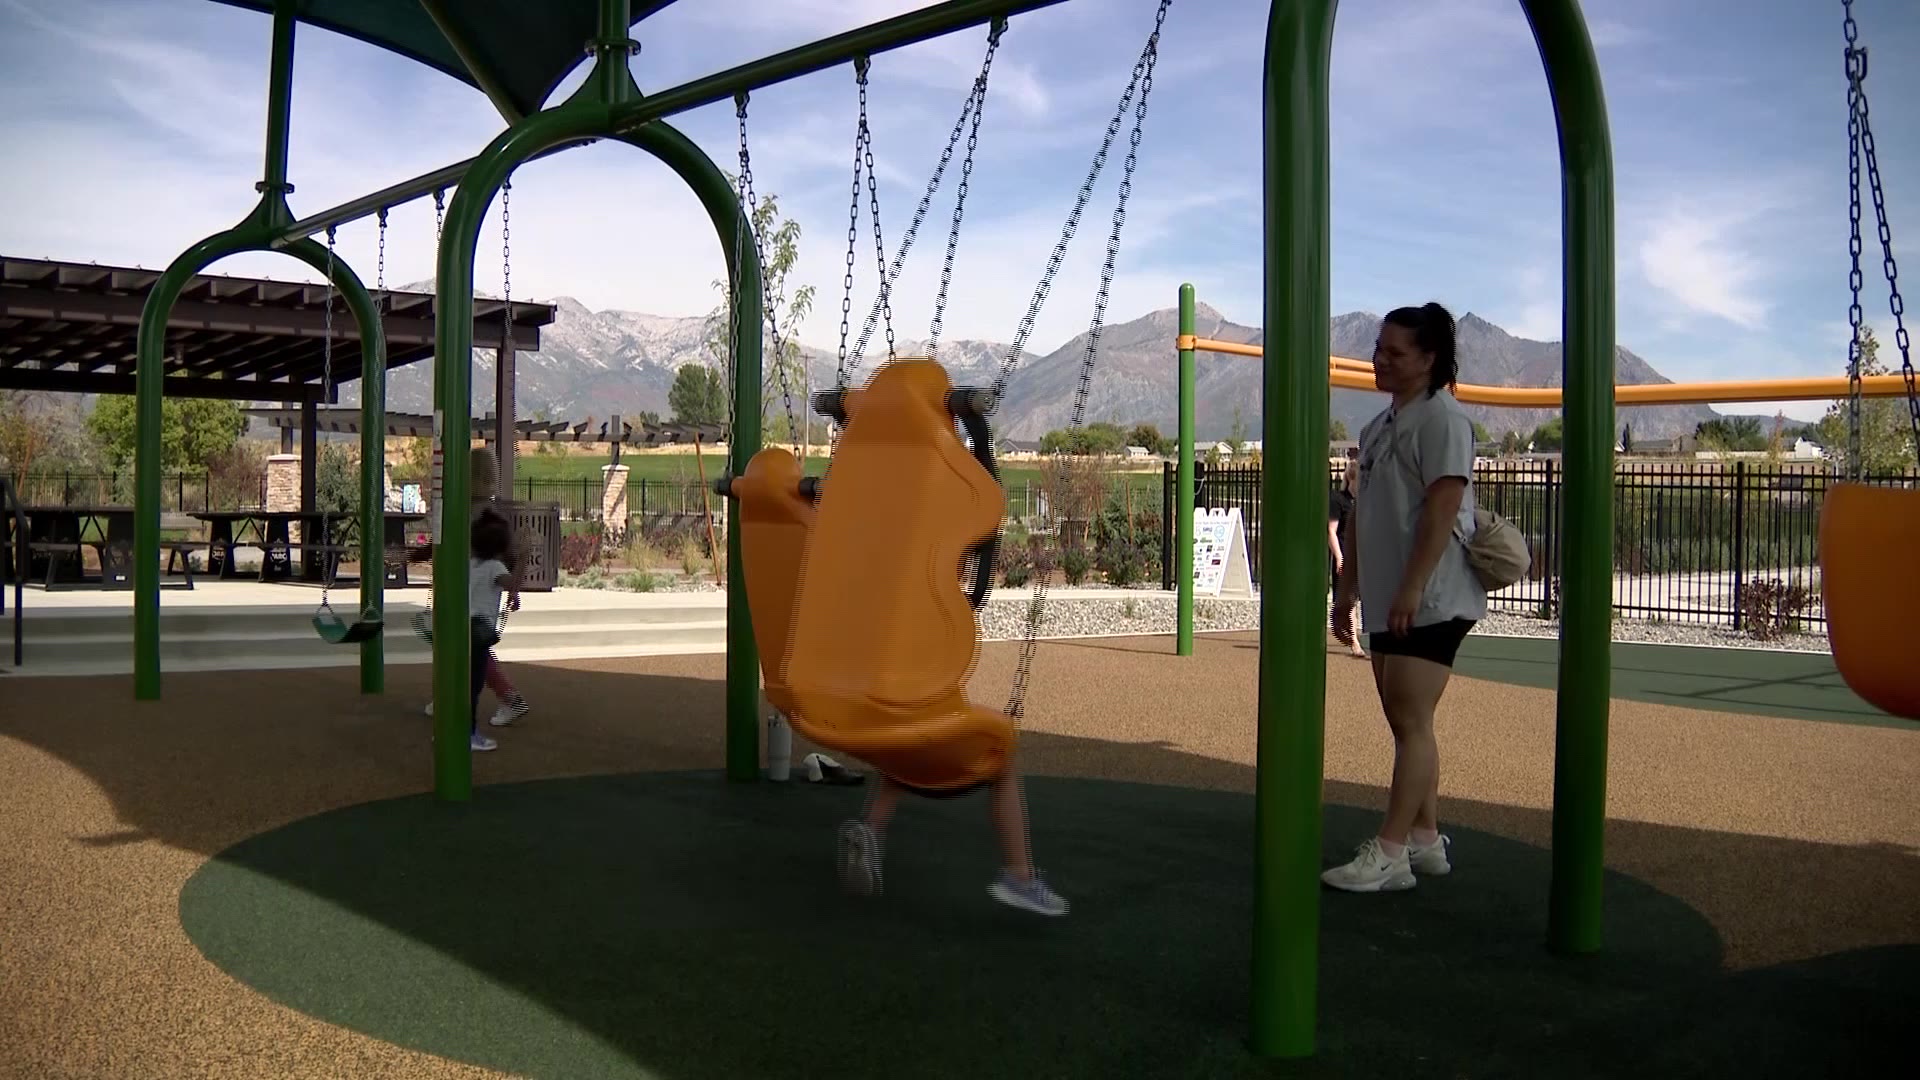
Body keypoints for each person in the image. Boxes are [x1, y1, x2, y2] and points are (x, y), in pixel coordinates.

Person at [1323, 302, 1486, 893]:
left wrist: (1414, 586)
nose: (1379, 360)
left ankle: (1390, 852)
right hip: (1396, 595)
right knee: (1406, 721)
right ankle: (1424, 841)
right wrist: (1347, 590)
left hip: (1435, 596)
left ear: (1429, 360)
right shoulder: (1377, 429)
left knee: (1411, 719)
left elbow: (1443, 509)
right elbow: (1368, 514)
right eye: (1379, 348)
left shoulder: (1444, 420)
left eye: (1395, 352)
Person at [836, 757, 1069, 917]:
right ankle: (1020, 876)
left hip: (898, 747)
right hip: (942, 760)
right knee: (1002, 765)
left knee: (898, 755)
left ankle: (870, 832)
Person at [419, 448, 530, 727]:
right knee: (469, 649)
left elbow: (441, 549)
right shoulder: (494, 517)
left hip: (464, 590)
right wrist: (513, 590)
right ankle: (459, 697)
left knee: (464, 650)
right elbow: (511, 555)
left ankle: (504, 697)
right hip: (472, 590)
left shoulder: (460, 512)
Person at [464, 509, 520, 753]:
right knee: (474, 685)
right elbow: (513, 583)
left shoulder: (470, 564)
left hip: (461, 626)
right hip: (478, 631)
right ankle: (469, 733)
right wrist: (524, 557)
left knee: (461, 681)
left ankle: (451, 730)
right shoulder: (495, 566)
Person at [1328, 447, 1366, 659]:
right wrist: (1339, 557)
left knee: (1357, 599)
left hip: (1361, 555)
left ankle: (1353, 635)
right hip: (1346, 554)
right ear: (1351, 478)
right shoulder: (1338, 500)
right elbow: (1331, 531)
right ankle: (1353, 641)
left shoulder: (1363, 502)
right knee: (1348, 600)